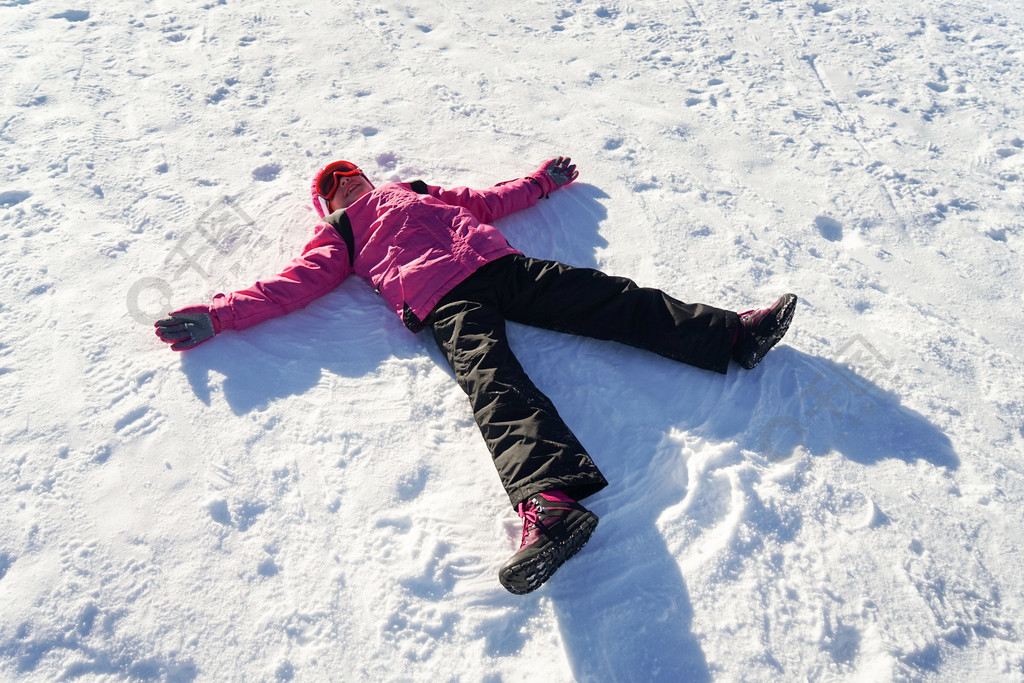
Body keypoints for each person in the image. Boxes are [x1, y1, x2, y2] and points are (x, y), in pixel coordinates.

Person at [155, 157, 797, 594]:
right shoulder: (342, 236)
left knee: (610, 297)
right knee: (494, 385)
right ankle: (550, 505)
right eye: (335, 186)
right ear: (326, 206)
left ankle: (732, 335)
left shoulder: (418, 190)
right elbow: (288, 285)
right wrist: (220, 314)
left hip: (502, 267)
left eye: (350, 175)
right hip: (445, 301)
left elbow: (491, 200)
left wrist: (542, 182)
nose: (348, 186)